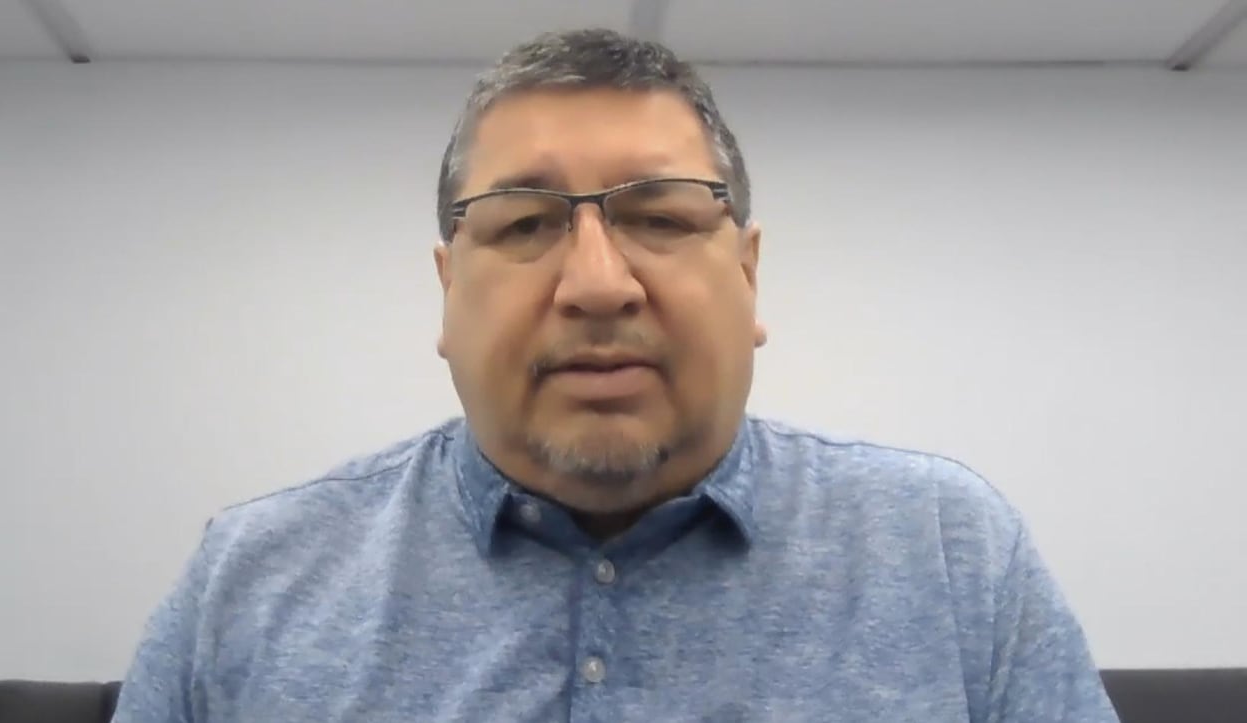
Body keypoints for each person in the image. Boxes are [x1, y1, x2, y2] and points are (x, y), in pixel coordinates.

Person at [111, 28, 1120, 723]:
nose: (598, 285)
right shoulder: (250, 579)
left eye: (661, 216)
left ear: (748, 275)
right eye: (524, 224)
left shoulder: (950, 553)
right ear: (448, 290)